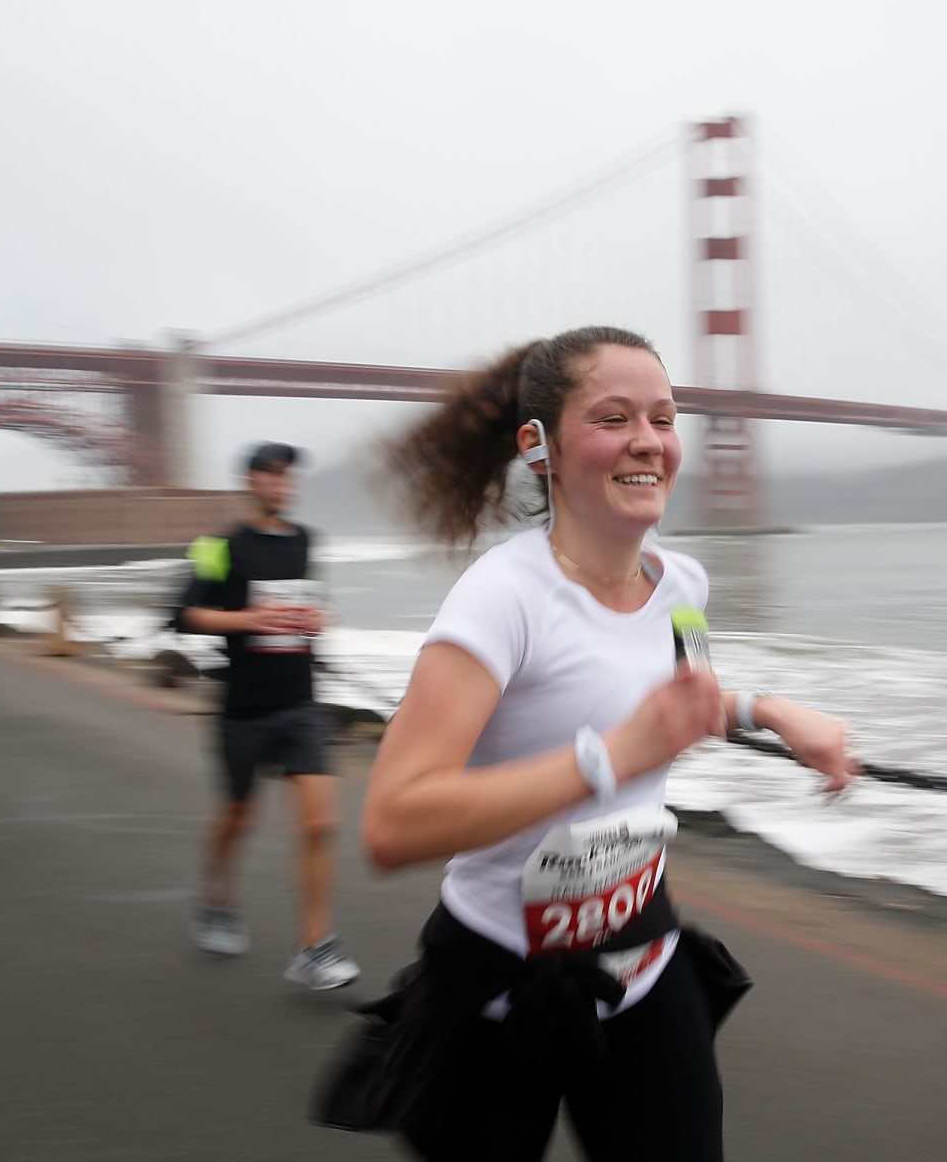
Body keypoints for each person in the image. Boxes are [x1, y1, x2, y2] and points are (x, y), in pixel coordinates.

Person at [317, 327, 860, 1160]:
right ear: (540, 447)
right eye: (613, 417)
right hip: (498, 990)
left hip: (641, 958)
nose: (648, 441)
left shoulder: (683, 585)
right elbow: (393, 822)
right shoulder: (501, 599)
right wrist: (608, 757)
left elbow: (683, 703)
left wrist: (768, 712)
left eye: (663, 417)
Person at [176, 442, 361, 990]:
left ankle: (314, 945)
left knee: (321, 822)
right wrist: (248, 618)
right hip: (242, 711)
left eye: (290, 478)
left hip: (300, 705)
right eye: (274, 476)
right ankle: (215, 899)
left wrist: (318, 616)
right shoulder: (215, 546)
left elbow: (310, 599)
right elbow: (183, 614)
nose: (285, 486)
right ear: (251, 481)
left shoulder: (305, 541)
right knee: (237, 817)